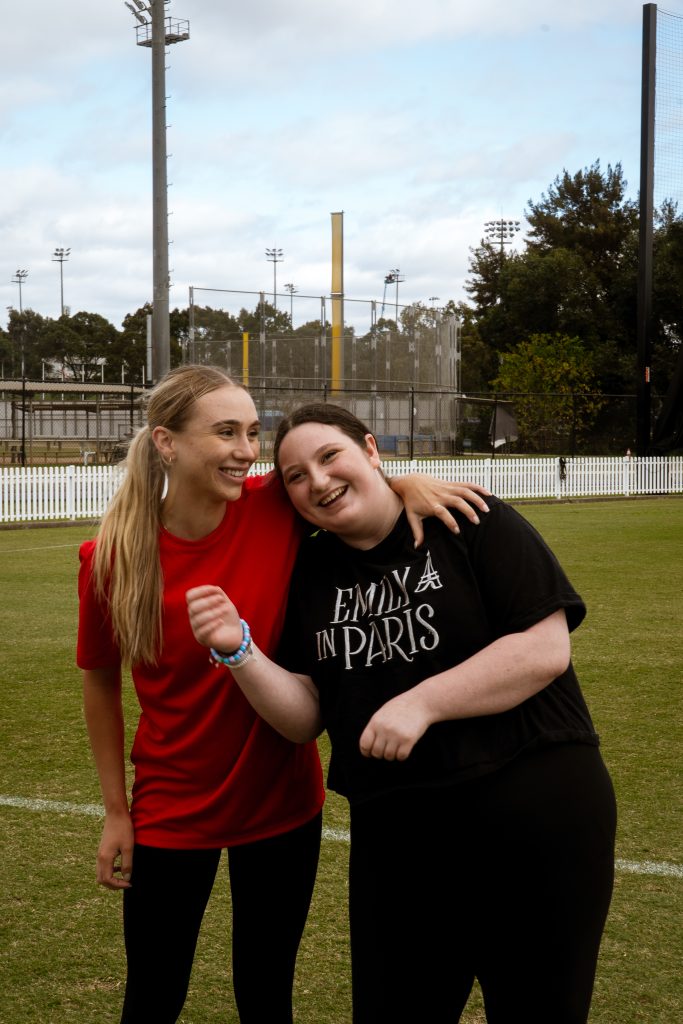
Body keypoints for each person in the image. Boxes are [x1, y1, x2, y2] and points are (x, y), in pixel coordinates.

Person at [77, 366, 490, 1024]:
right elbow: (99, 683)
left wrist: (405, 482)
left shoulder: (272, 506)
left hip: (280, 803)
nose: (246, 450)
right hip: (171, 808)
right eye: (225, 432)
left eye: (251, 432)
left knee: (267, 993)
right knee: (152, 994)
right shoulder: (111, 557)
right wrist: (115, 812)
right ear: (166, 442)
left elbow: (342, 487)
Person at [186, 402, 617, 1024]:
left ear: (371, 449)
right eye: (296, 476)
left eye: (330, 456)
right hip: (400, 832)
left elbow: (542, 648)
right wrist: (241, 652)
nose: (318, 481)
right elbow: (307, 716)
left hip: (536, 811)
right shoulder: (309, 571)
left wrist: (421, 704)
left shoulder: (468, 517)